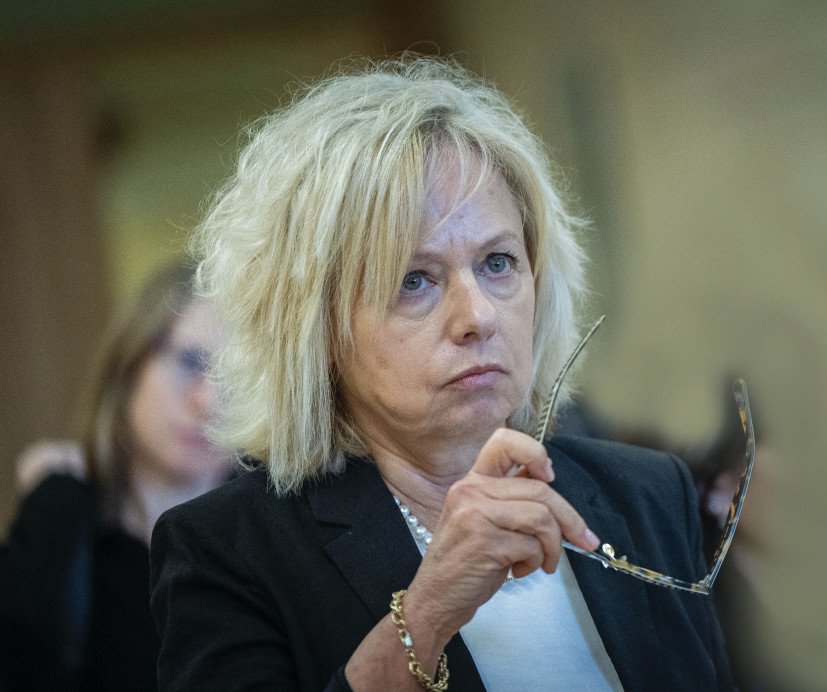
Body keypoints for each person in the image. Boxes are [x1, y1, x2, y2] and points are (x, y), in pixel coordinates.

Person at [150, 57, 733, 691]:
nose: (477, 316)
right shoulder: (228, 551)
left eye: (498, 263)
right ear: (317, 329)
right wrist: (427, 613)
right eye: (414, 280)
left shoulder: (648, 494)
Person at [0, 259, 230, 691]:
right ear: (129, 365)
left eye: (237, 377)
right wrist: (53, 504)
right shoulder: (67, 526)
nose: (210, 400)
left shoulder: (280, 532)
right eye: (190, 361)